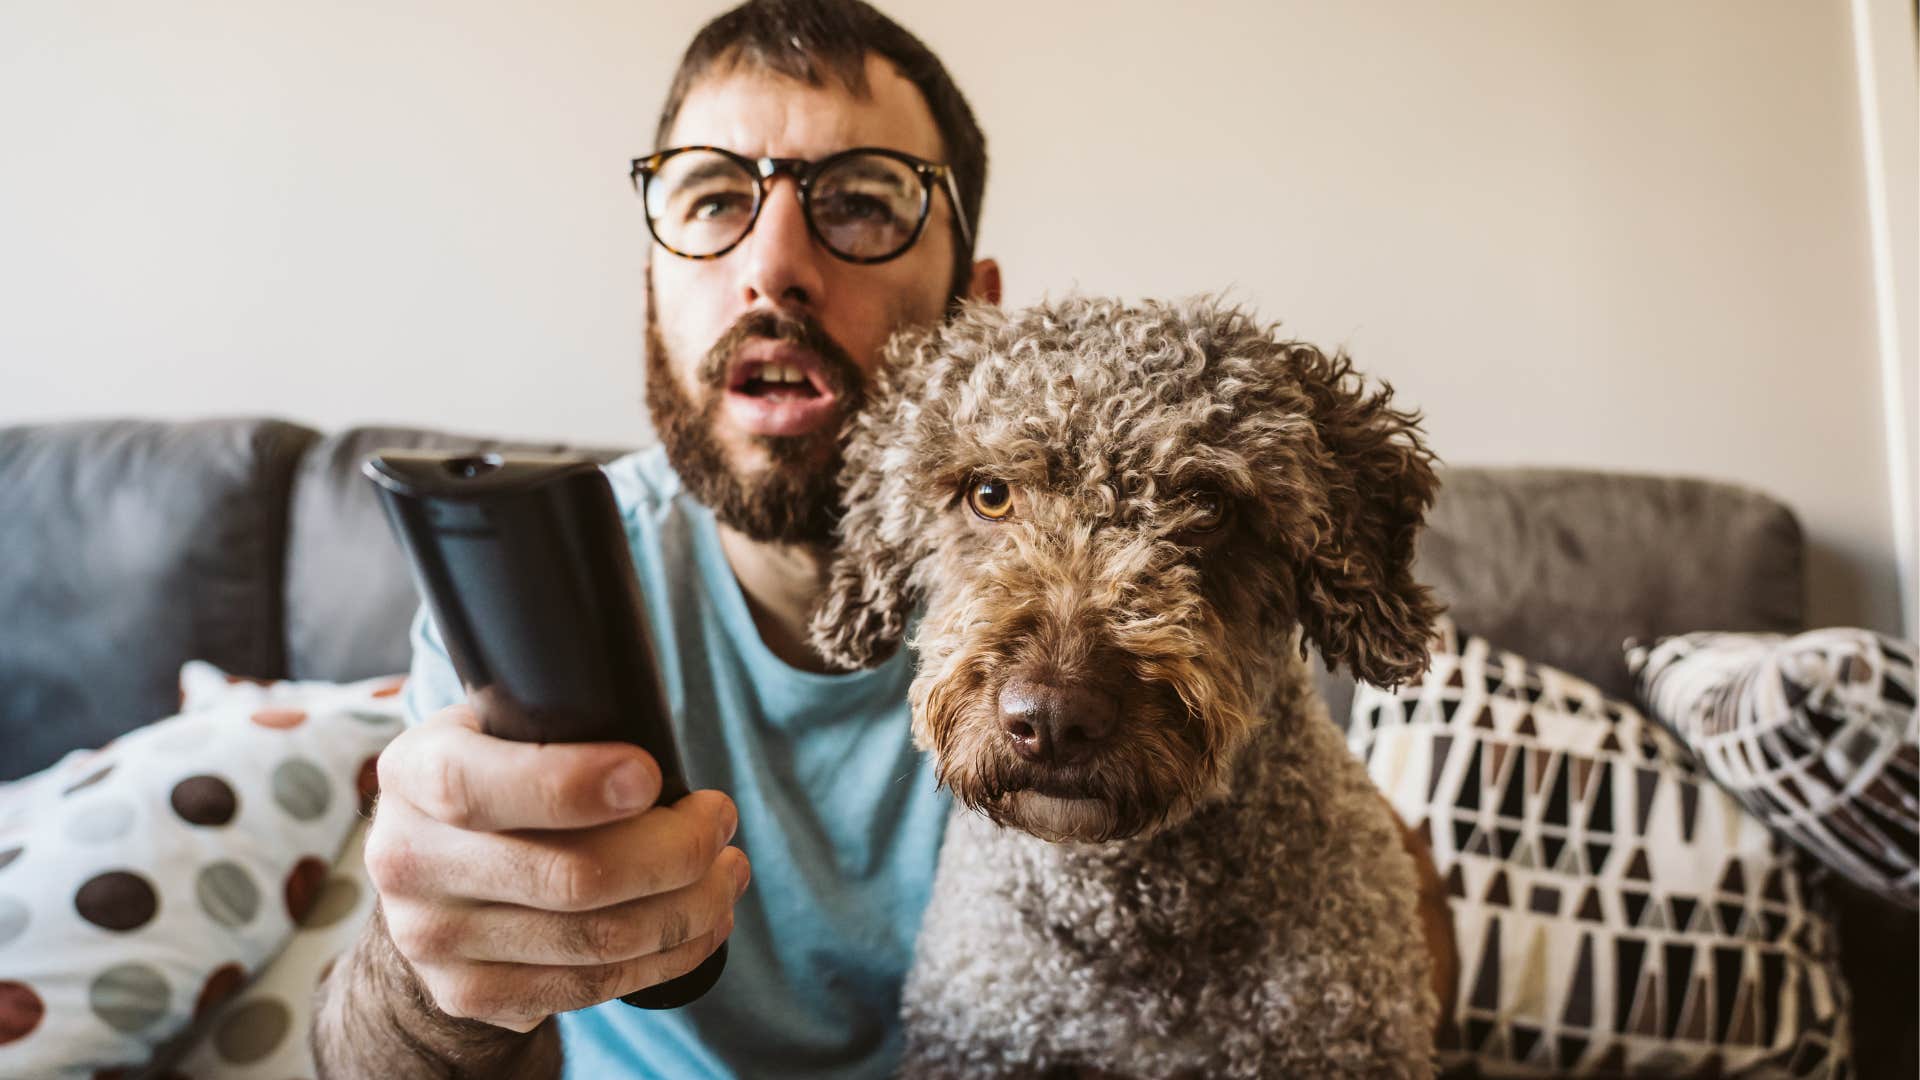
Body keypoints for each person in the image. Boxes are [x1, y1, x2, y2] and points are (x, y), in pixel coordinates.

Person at [311, 1, 1001, 1076]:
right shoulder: (521, 596)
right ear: (654, 287)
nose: (773, 269)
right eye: (716, 198)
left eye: (862, 204)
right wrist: (426, 977)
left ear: (977, 308)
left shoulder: (1082, 610)